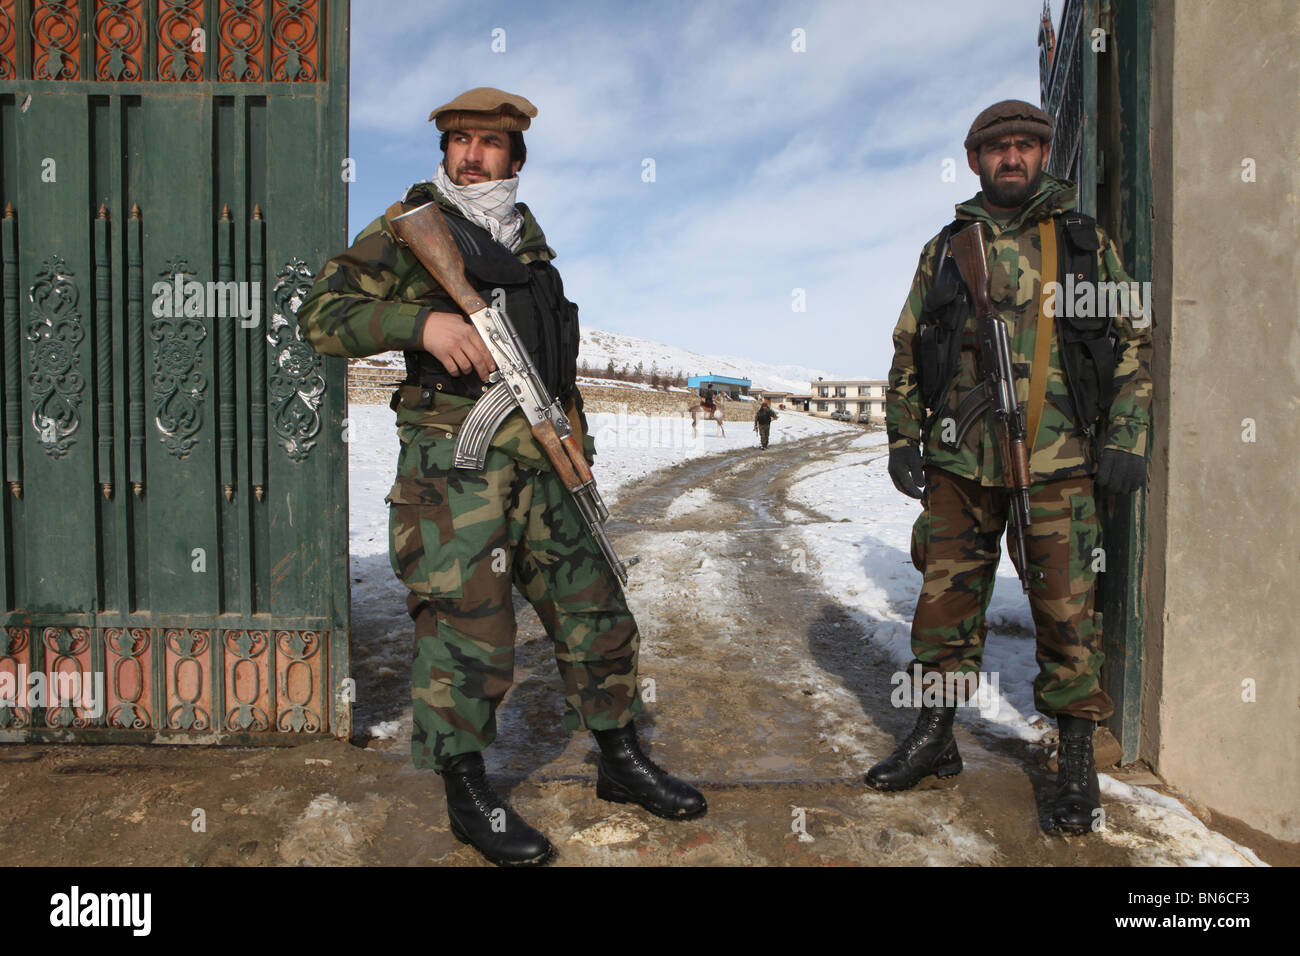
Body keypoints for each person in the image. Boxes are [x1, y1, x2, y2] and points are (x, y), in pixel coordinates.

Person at [295, 88, 705, 866]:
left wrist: (576, 445)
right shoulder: (405, 232)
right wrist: (418, 323)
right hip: (456, 470)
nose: (471, 155)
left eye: (488, 143)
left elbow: (552, 368)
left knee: (598, 613)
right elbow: (320, 315)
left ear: (515, 159)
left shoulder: (530, 252)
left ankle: (619, 759)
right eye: (458, 141)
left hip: (546, 466)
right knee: (466, 630)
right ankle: (466, 791)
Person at [872, 100, 1152, 835]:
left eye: (1026, 146)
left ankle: (1077, 757)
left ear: (1043, 155)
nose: (1012, 158)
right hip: (962, 467)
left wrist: (1127, 438)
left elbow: (1130, 346)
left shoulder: (1084, 243)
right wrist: (904, 436)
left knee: (1066, 610)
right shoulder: (946, 248)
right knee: (945, 608)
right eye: (998, 148)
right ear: (975, 162)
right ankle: (935, 737)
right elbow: (908, 347)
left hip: (1057, 463)